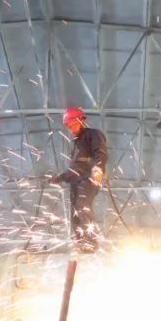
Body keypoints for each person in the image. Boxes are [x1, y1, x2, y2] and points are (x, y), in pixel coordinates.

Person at [51, 107, 108, 252]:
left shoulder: (93, 134)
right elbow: (75, 168)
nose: (70, 128)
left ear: (81, 120)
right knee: (75, 211)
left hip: (88, 177)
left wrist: (98, 168)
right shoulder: (76, 144)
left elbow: (100, 152)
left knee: (83, 206)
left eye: (72, 124)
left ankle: (90, 242)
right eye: (68, 126)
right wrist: (59, 177)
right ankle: (80, 241)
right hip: (75, 181)